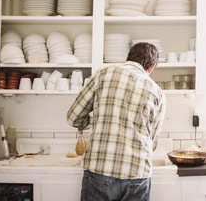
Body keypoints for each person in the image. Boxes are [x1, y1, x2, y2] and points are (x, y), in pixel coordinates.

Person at [67, 42, 166, 201]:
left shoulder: (103, 74)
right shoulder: (158, 92)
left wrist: (99, 118)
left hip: (100, 169)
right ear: (152, 67)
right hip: (137, 174)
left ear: (127, 58)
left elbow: (73, 117)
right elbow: (152, 142)